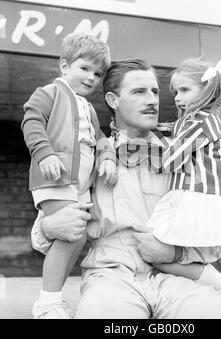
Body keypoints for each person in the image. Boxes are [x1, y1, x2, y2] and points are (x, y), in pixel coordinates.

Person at [33, 59, 221, 319]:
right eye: (139, 92)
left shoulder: (188, 152)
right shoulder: (88, 152)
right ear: (113, 99)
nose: (152, 100)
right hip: (111, 276)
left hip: (177, 279)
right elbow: (49, 225)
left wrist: (175, 253)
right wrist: (48, 227)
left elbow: (214, 230)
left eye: (154, 91)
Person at [21, 33, 117, 319]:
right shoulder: (50, 92)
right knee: (69, 233)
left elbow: (100, 139)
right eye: (84, 68)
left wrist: (109, 157)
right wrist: (45, 153)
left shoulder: (88, 107)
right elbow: (32, 119)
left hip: (79, 186)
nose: (91, 77)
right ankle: (47, 302)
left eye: (97, 73)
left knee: (75, 238)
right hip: (54, 178)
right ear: (64, 66)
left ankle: (52, 298)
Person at [143, 51, 221, 303]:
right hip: (194, 196)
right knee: (166, 253)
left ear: (206, 91)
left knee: (157, 253)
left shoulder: (200, 122)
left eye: (184, 90)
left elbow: (171, 160)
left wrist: (143, 145)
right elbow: (173, 131)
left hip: (197, 198)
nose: (177, 98)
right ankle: (209, 288)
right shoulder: (199, 121)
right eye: (176, 92)